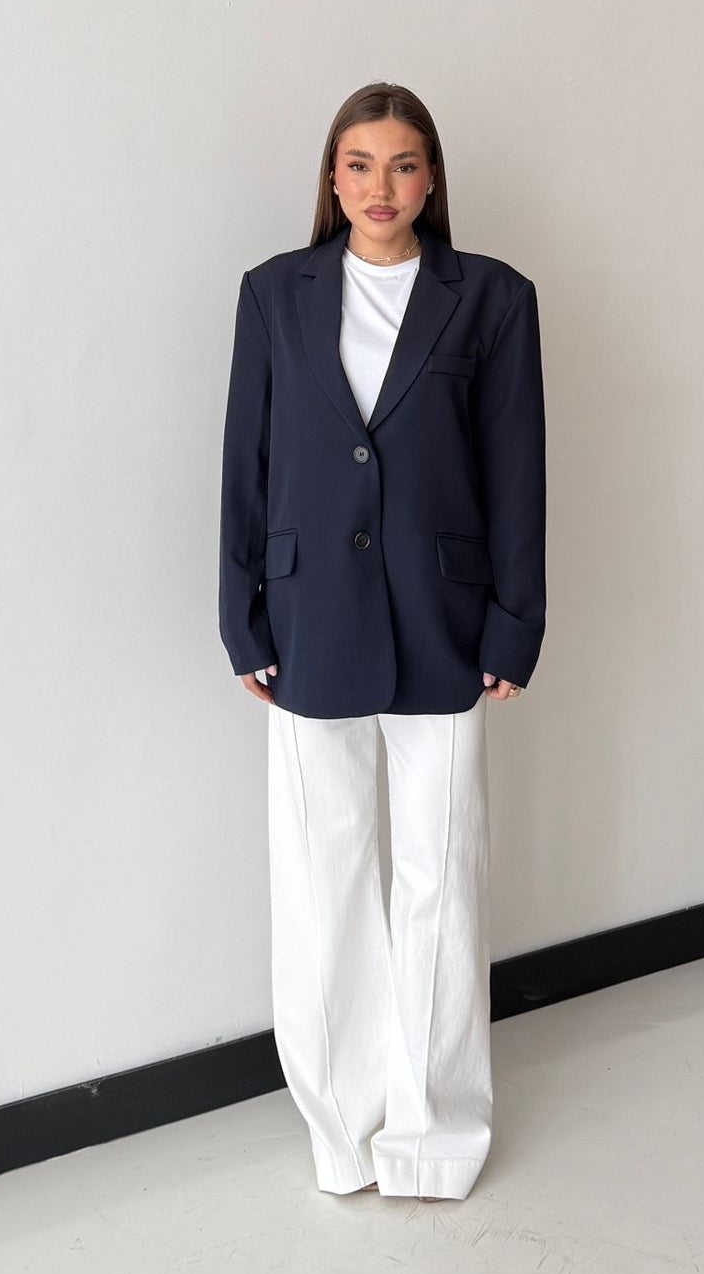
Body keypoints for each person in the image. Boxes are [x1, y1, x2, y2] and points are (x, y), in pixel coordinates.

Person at [218, 81, 546, 1201]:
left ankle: (435, 1135)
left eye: (403, 164)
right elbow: (247, 462)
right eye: (359, 164)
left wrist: (514, 622)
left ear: (431, 178)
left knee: (440, 882)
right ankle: (342, 1131)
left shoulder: (492, 298)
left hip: (446, 623)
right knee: (325, 882)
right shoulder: (275, 294)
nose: (380, 186)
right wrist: (240, 616)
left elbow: (515, 468)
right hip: (306, 621)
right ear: (332, 177)